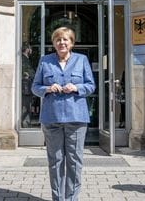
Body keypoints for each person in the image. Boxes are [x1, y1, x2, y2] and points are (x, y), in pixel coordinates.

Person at [32, 27, 96, 201]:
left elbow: (91, 85)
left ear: (72, 43)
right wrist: (47, 88)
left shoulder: (82, 60)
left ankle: (71, 198)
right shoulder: (45, 61)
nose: (62, 43)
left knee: (74, 162)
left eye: (65, 39)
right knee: (55, 161)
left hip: (76, 118)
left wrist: (76, 87)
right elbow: (35, 87)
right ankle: (58, 198)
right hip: (51, 119)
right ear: (54, 43)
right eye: (58, 40)